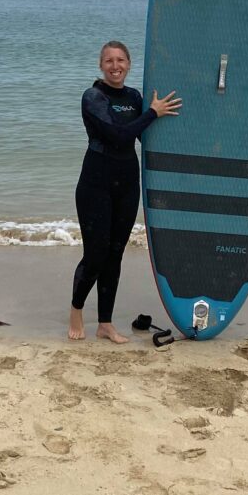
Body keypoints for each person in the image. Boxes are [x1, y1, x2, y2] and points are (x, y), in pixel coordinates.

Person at [68, 41, 181, 342]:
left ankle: (105, 323)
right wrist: (153, 113)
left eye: (120, 60)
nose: (115, 65)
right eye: (109, 61)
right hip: (95, 184)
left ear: (129, 64)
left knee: (115, 254)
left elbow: (144, 138)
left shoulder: (134, 98)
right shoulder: (93, 97)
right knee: (95, 255)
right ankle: (76, 309)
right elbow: (119, 137)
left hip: (128, 183)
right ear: (101, 65)